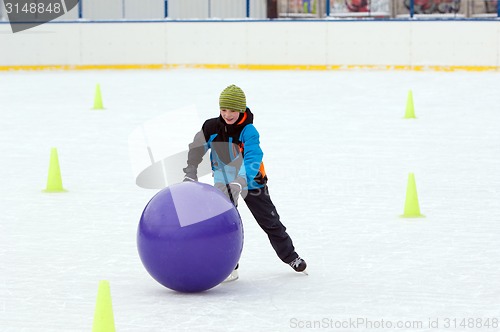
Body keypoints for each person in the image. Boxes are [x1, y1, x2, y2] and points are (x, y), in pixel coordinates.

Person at [183, 84, 307, 278]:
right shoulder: (211, 127)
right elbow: (196, 148)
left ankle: (291, 256)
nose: (227, 114)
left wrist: (241, 179)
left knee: (270, 221)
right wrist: (191, 170)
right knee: (225, 226)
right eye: (224, 110)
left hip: (252, 183)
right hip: (224, 182)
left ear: (241, 109)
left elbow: (253, 158)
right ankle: (230, 265)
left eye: (232, 110)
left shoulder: (249, 131)